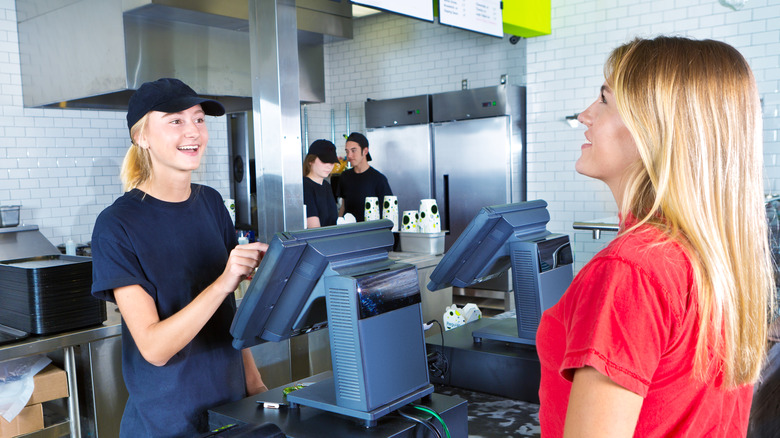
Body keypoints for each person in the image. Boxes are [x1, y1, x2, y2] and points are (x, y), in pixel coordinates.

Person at [536, 36, 775, 437]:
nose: (584, 115)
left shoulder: (631, 269)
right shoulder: (712, 256)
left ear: (655, 127)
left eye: (605, 99)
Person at [90, 78, 268, 437]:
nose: (194, 131)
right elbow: (154, 348)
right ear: (142, 136)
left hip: (231, 413)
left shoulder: (212, 203)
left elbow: (226, 318)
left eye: (199, 119)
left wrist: (256, 386)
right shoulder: (116, 225)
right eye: (176, 120)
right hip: (167, 423)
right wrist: (224, 282)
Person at [336, 132, 393, 222]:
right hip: (349, 232)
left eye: (353, 150)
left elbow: (388, 211)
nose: (349, 155)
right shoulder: (344, 176)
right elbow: (343, 206)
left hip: (371, 232)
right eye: (347, 151)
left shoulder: (379, 179)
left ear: (365, 151)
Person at [303, 139, 339, 228]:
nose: (329, 166)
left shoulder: (326, 185)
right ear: (310, 161)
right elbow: (314, 229)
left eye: (332, 162)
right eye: (324, 161)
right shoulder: (305, 186)